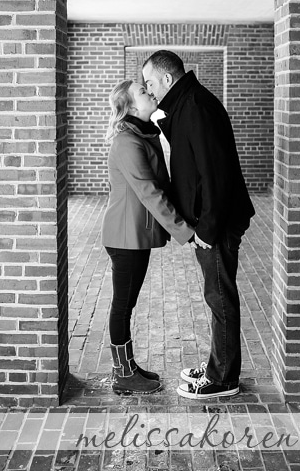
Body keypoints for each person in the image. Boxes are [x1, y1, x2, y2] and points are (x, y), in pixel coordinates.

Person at [142, 50, 255, 399]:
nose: (149, 91)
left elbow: (215, 176)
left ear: (167, 78)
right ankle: (218, 365)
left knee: (220, 298)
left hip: (216, 225)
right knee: (217, 295)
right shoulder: (187, 104)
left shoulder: (195, 107)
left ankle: (223, 379)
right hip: (212, 221)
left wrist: (206, 231)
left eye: (150, 83)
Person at [102, 80, 194, 394]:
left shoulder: (142, 132)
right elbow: (149, 192)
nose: (149, 93)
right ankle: (123, 375)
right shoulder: (128, 141)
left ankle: (127, 368)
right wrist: (186, 232)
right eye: (142, 92)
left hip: (133, 235)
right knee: (122, 305)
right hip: (124, 236)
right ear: (129, 106)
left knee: (126, 304)